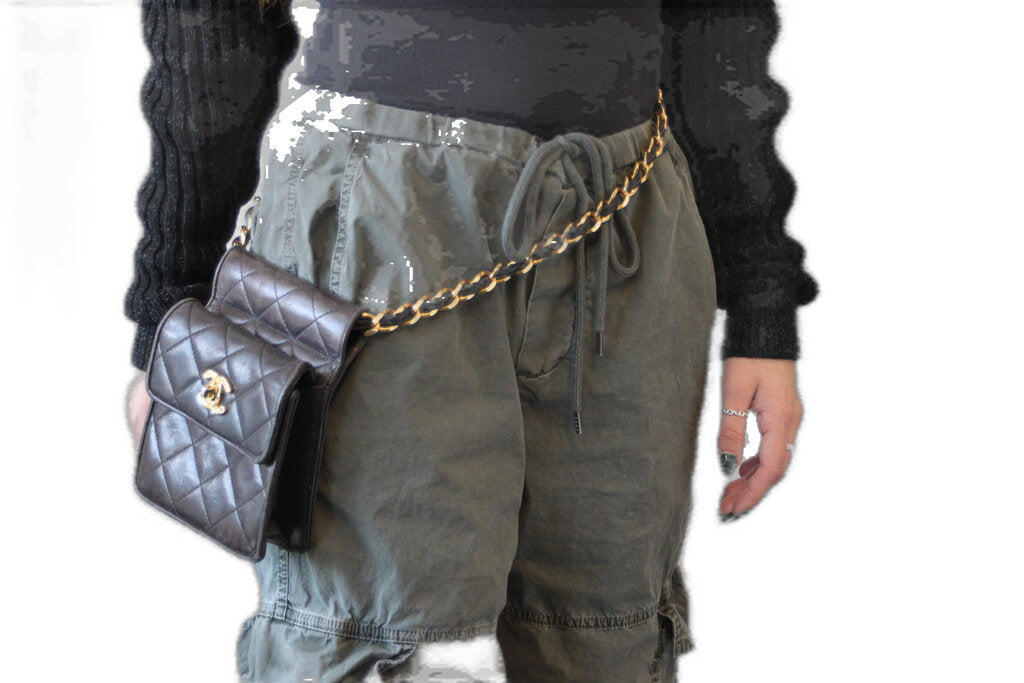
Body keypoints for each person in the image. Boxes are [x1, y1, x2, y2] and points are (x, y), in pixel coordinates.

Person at [124, 0, 819, 680]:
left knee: (605, 638)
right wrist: (170, 306)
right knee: (378, 638)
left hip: (625, 218)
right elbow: (211, 25)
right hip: (377, 219)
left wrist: (762, 302)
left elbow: (714, 20)